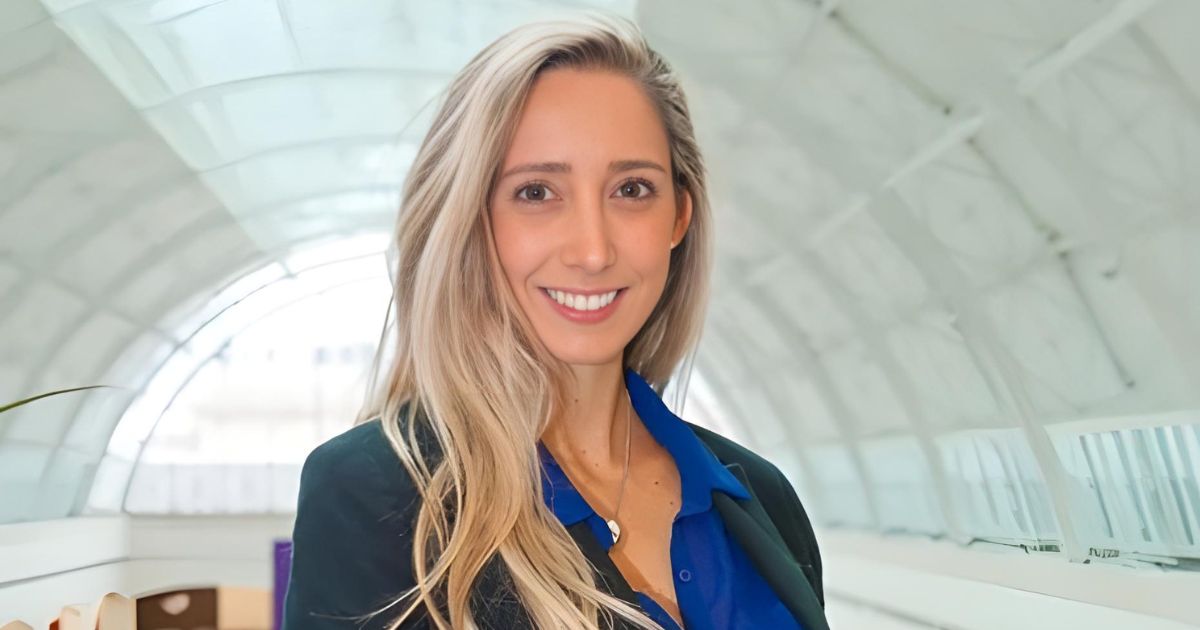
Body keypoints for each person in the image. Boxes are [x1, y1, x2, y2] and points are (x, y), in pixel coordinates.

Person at [282, 14, 828, 630]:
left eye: (631, 190)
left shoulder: (762, 497)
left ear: (679, 216)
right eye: (537, 192)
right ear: (469, 219)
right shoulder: (378, 495)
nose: (593, 251)